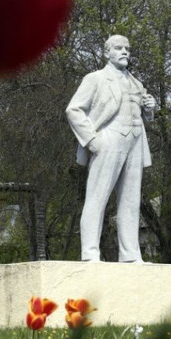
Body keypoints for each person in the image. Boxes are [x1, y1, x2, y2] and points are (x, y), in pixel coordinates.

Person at [65, 35, 156, 262]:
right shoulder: (95, 79)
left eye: (127, 48)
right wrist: (92, 140)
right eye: (118, 48)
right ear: (107, 53)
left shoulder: (137, 83)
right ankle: (89, 253)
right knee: (97, 197)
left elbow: (145, 117)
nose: (124, 51)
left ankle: (131, 255)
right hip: (108, 139)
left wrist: (150, 109)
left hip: (135, 142)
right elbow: (73, 110)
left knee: (130, 201)